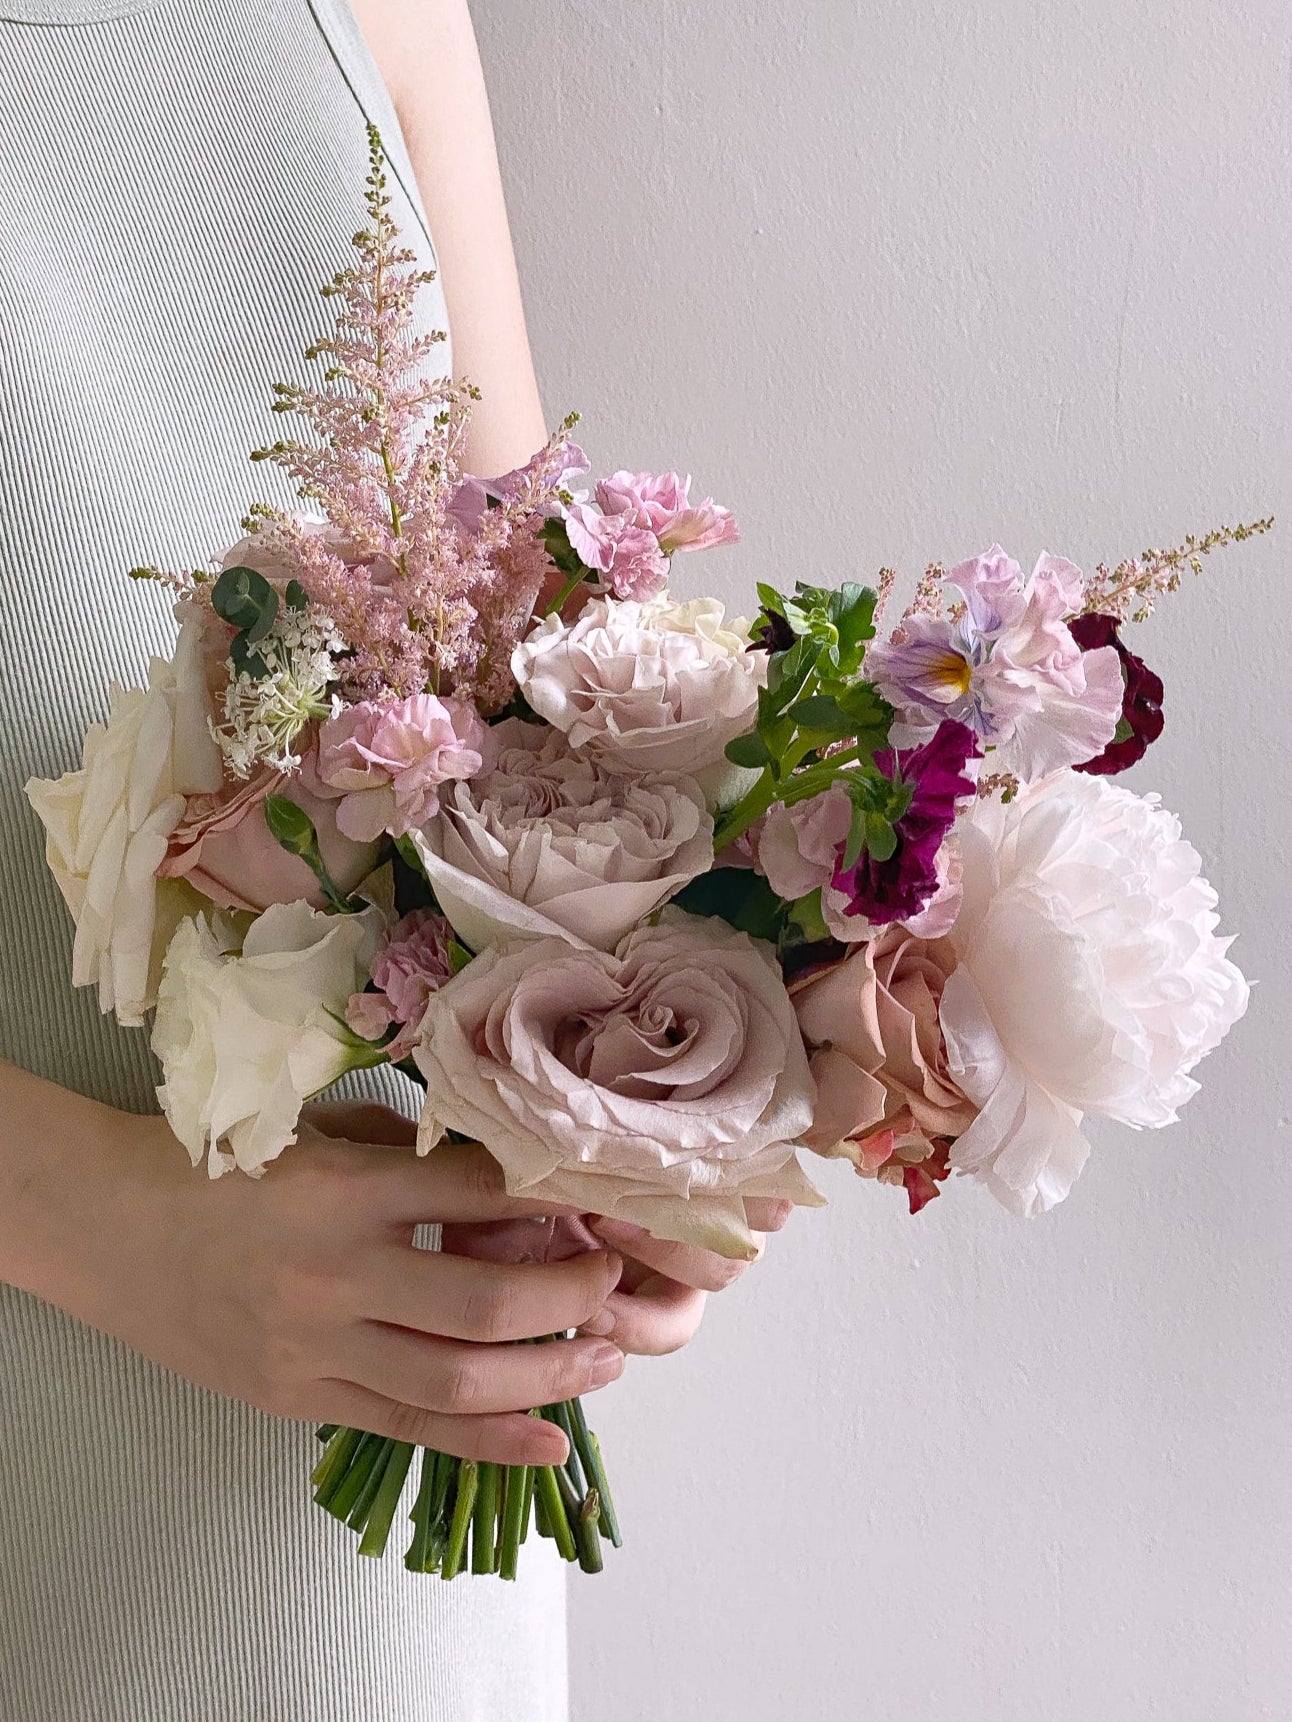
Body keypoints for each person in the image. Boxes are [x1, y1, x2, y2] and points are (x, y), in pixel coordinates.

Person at [0, 3, 782, 1716]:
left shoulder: (374, 11)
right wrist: (104, 1222)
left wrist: (655, 1128)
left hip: (380, 1574)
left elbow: (537, 689)